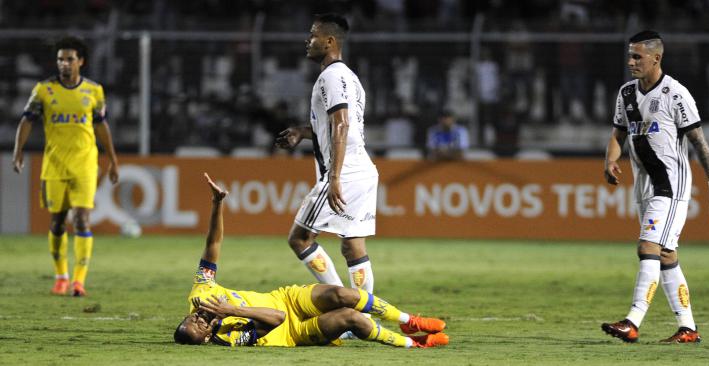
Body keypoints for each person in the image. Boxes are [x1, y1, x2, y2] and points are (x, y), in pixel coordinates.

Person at [173, 173, 448, 348]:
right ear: (208, 336)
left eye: (190, 319)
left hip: (288, 298)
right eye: (198, 327)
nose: (197, 318)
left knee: (343, 294)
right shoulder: (230, 338)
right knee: (352, 319)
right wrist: (233, 311)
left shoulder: (202, 292)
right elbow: (277, 319)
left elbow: (213, 244)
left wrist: (217, 204)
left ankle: (408, 320)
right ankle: (413, 344)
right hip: (295, 332)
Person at [601, 30, 709, 343]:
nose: (631, 62)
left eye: (637, 57)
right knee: (667, 255)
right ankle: (688, 328)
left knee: (648, 247)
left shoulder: (676, 94)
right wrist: (609, 161)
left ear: (656, 58)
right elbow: (619, 134)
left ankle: (632, 322)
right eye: (630, 56)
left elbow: (698, 142)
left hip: (670, 187)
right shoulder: (627, 94)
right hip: (644, 186)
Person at [275, 14, 378, 295]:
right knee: (352, 245)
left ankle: (341, 301)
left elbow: (342, 124)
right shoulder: (349, 78)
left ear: (330, 41)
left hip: (344, 171)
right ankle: (364, 314)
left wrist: (334, 177)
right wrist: (300, 131)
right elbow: (336, 125)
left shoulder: (332, 76)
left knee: (300, 238)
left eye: (313, 34)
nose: (307, 40)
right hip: (361, 168)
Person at [12, 36, 119, 297]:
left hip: (85, 162)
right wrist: (18, 150)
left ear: (80, 61)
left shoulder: (94, 91)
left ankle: (79, 281)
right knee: (58, 222)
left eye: (70, 59)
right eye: (60, 59)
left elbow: (101, 125)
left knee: (82, 220)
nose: (64, 64)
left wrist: (113, 158)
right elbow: (27, 120)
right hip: (55, 164)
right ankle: (61, 276)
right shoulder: (43, 90)